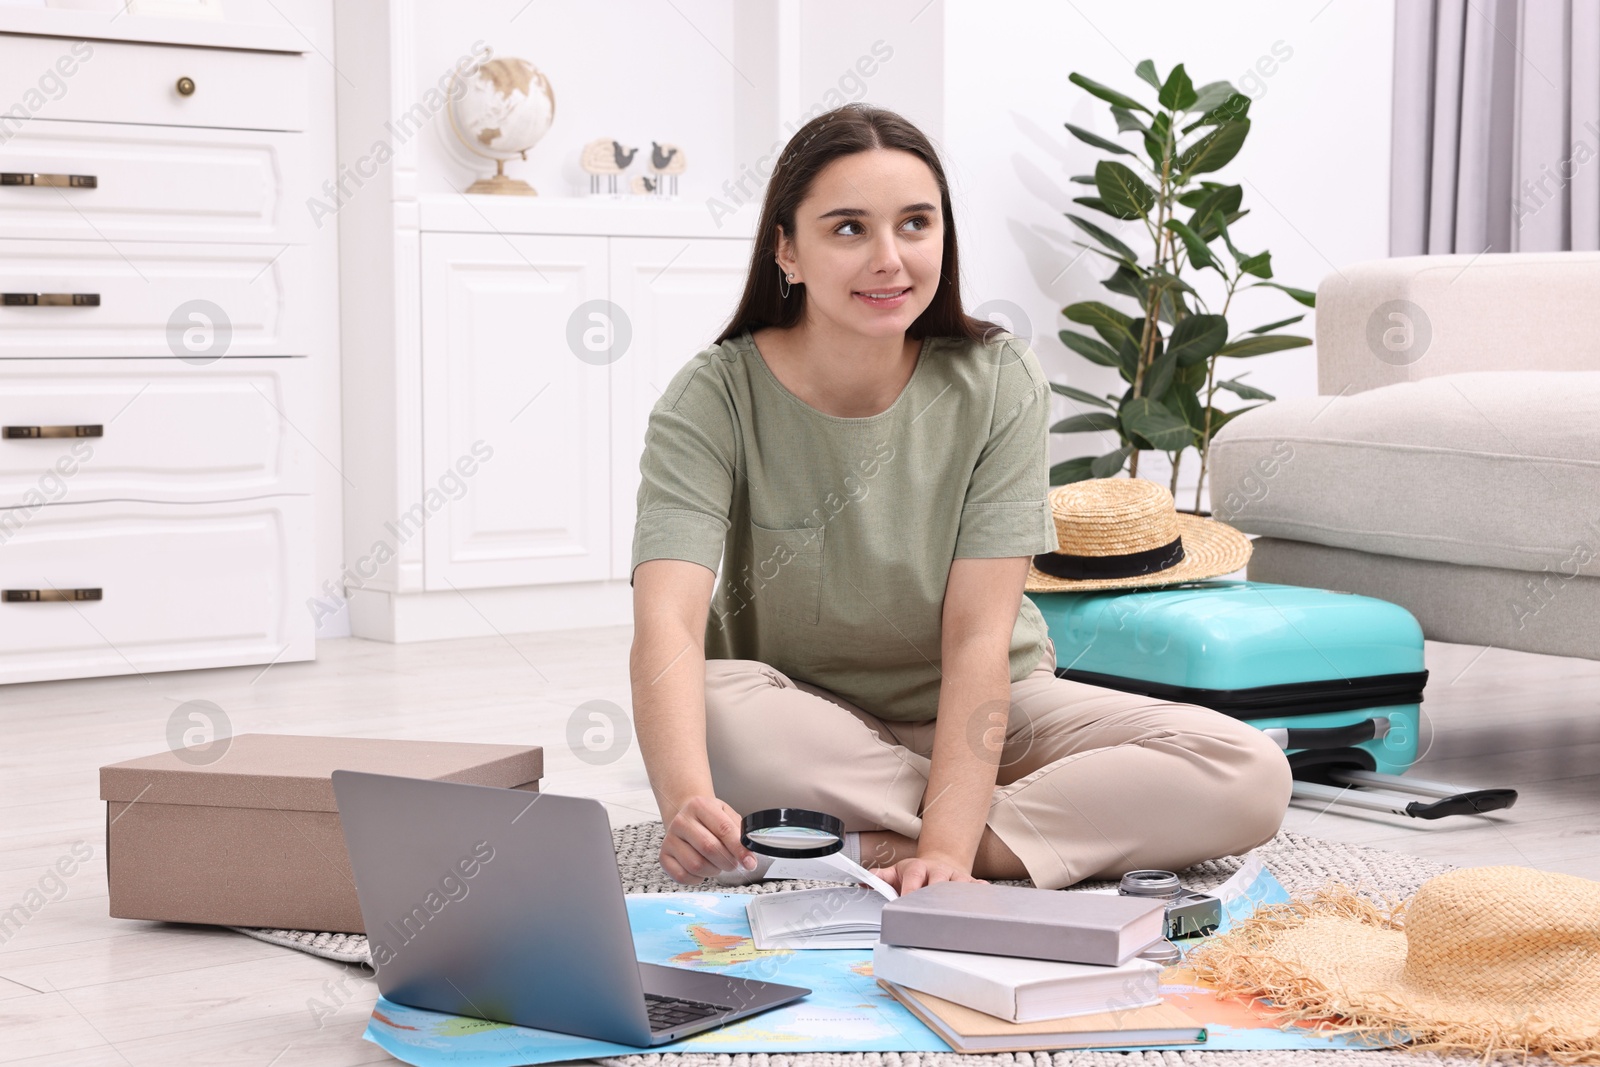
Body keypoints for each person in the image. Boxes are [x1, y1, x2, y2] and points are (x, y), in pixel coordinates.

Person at [628, 103, 1293, 896]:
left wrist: (946, 848)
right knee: (715, 702)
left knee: (1249, 769)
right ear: (787, 249)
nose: (890, 258)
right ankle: (1039, 828)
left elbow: (980, 634)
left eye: (916, 224)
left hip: (994, 709)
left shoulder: (998, 381)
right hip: (803, 717)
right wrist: (686, 803)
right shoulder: (714, 396)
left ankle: (859, 843)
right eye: (848, 229)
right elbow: (666, 621)